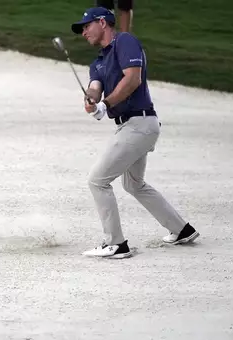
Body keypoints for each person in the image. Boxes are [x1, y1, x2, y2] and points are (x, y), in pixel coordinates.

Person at [70, 7, 199, 259]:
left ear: (102, 22)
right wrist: (91, 101)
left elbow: (132, 80)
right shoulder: (98, 61)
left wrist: (104, 105)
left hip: (139, 124)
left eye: (86, 26)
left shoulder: (124, 41)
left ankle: (115, 243)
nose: (83, 32)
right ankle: (181, 230)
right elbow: (95, 88)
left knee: (97, 180)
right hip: (132, 126)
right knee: (134, 184)